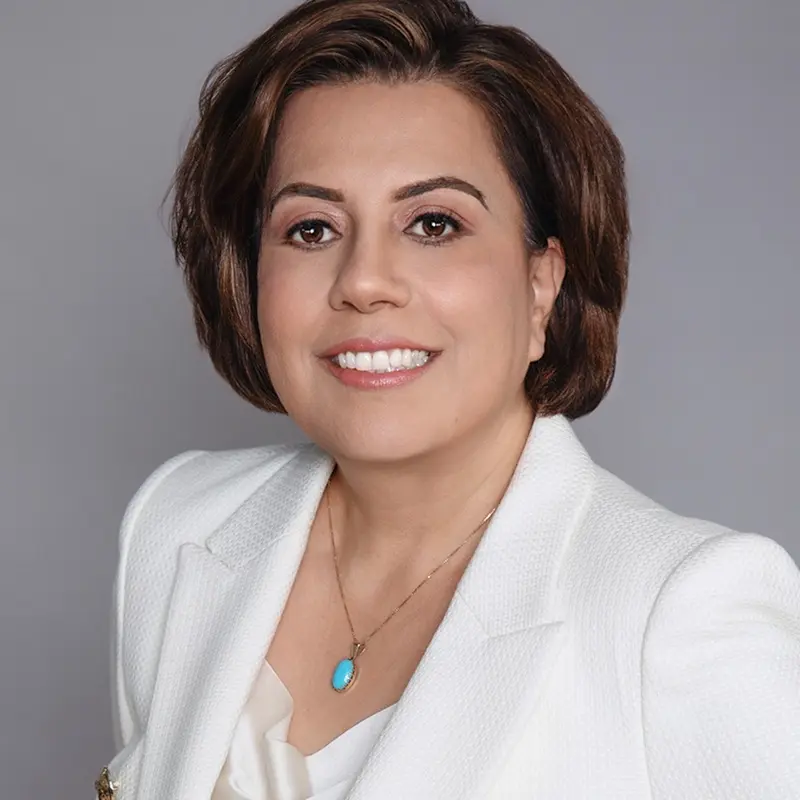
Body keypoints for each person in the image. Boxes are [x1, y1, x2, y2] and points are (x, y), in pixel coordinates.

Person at [96, 0, 800, 798]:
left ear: (542, 284)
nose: (365, 281)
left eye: (433, 223)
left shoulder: (680, 613)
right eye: (312, 229)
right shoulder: (177, 524)